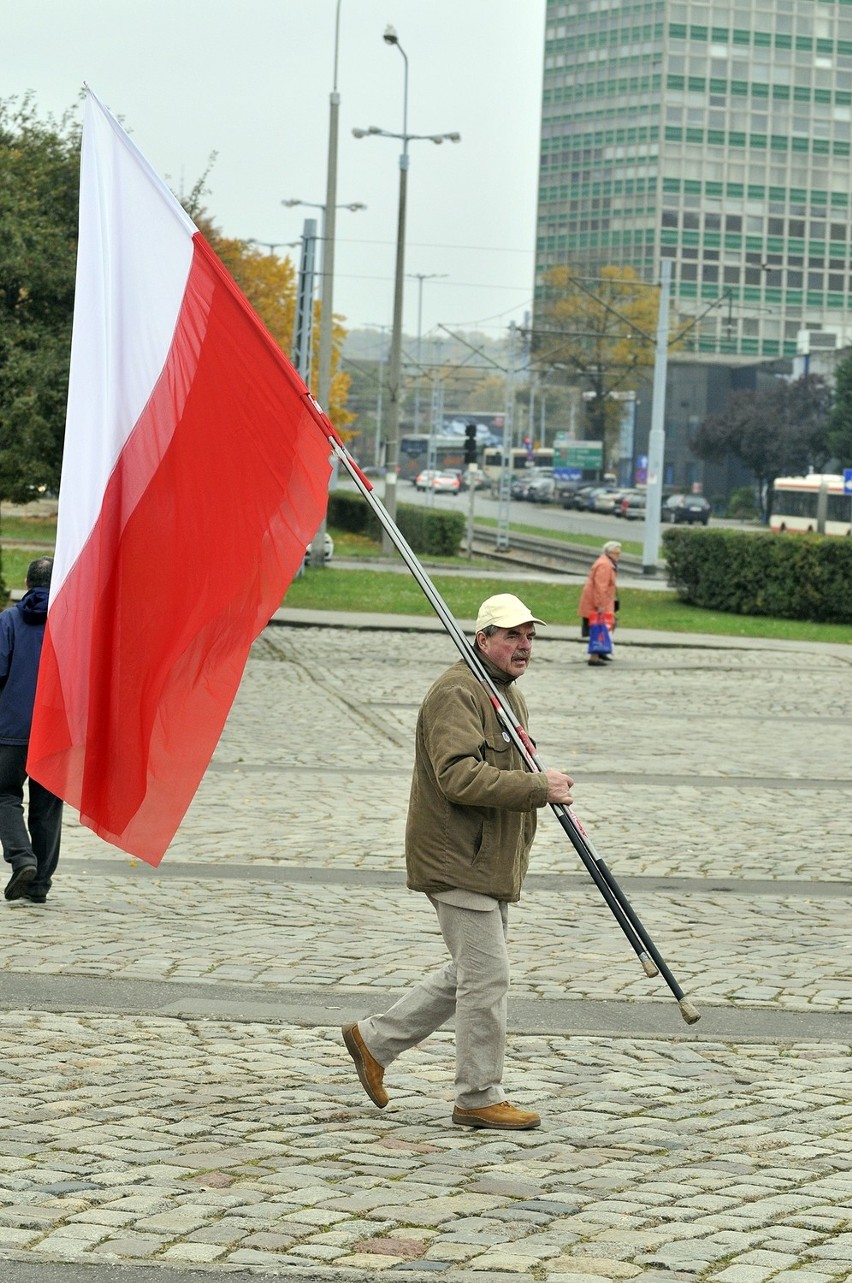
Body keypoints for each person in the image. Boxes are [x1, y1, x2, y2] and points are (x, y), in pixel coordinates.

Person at [342, 593, 574, 1131]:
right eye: (512, 635)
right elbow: (458, 777)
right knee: (487, 976)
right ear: (482, 639)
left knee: (471, 971)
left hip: (488, 860)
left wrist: (539, 783)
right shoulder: (458, 693)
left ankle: (374, 1041)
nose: (523, 646)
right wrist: (540, 787)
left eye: (530, 636)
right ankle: (476, 1096)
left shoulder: (504, 695)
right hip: (455, 858)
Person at [0, 557, 63, 903]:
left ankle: (22, 857)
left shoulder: (8, 621)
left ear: (25, 583)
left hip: (11, 728)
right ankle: (38, 884)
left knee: (4, 794)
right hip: (55, 730)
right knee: (48, 805)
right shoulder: (70, 621)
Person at [578, 540, 621, 666]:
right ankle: (594, 657)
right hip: (597, 604)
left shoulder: (606, 562)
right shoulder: (605, 565)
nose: (619, 555)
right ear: (609, 552)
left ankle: (601, 652)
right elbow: (600, 587)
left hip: (600, 602)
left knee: (605, 627)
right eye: (617, 552)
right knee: (598, 629)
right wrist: (600, 605)